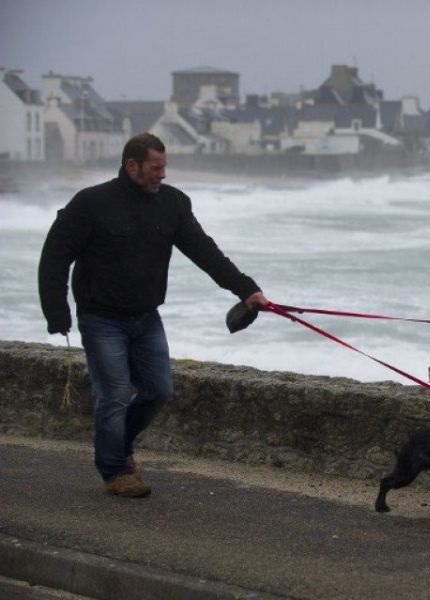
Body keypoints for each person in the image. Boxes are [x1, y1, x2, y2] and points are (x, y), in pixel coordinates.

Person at [38, 133, 268, 498]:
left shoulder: (173, 204)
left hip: (146, 316)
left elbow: (205, 252)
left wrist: (247, 290)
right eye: (155, 168)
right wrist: (57, 312)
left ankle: (119, 446)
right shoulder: (91, 203)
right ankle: (115, 470)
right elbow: (55, 256)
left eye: (164, 167)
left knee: (159, 390)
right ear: (132, 166)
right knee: (114, 394)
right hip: (101, 317)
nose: (162, 175)